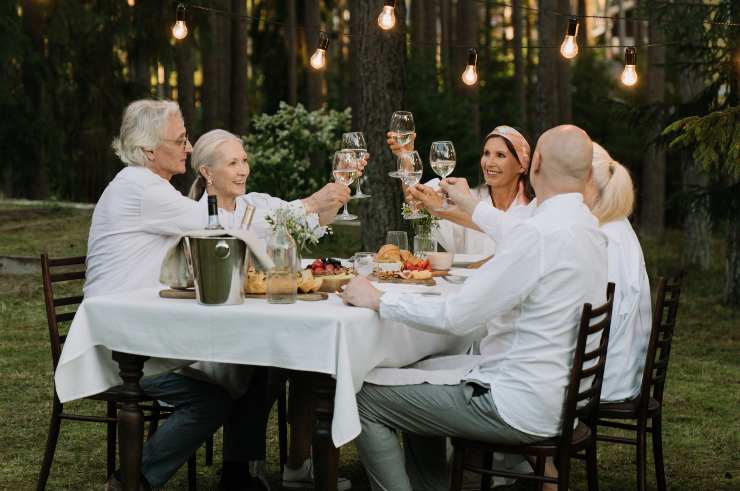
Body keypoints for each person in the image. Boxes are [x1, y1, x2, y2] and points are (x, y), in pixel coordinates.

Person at [341, 125, 608, 491]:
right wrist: (469, 205)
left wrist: (379, 299)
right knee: (416, 370)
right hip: (561, 399)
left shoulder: (538, 235)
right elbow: (512, 227)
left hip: (517, 403)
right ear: (588, 173)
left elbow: (458, 316)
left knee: (363, 397)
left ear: (536, 164)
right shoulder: (586, 227)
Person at [187, 129, 355, 491]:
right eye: (232, 163)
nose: (242, 169)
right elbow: (291, 214)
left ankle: (293, 464)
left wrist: (340, 189)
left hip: (259, 322)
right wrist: (312, 201)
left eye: (244, 160)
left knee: (309, 362)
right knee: (266, 363)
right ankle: (244, 468)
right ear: (206, 172)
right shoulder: (197, 215)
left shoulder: (255, 203)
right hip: (211, 332)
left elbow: (306, 220)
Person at [87, 99, 235, 491]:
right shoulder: (141, 187)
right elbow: (216, 225)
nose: (189, 147)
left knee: (242, 369)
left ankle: (243, 469)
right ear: (151, 150)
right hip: (120, 347)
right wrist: (300, 210)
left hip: (136, 330)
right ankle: (129, 482)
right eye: (181, 140)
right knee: (213, 399)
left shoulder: (147, 187)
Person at [452, 141, 652, 402]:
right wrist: (467, 205)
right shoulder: (608, 225)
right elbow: (518, 227)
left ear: (584, 180)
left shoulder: (601, 238)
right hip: (611, 368)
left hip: (599, 379)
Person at [387, 126, 532, 256]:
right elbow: (415, 200)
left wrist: (441, 207)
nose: (489, 162)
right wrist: (406, 158)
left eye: (500, 155)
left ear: (521, 165)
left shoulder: (532, 209)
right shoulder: (470, 196)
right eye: (486, 153)